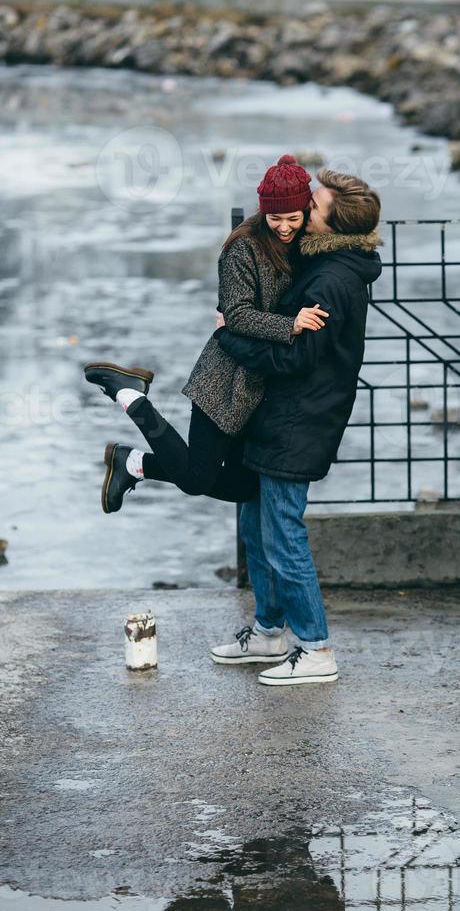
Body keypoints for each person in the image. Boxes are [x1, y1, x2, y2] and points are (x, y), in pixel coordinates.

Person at [210, 169, 383, 687]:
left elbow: (296, 360)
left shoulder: (332, 280)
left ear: (330, 222)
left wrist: (228, 338)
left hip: (300, 422)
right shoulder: (322, 261)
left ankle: (316, 647)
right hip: (280, 418)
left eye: (315, 205)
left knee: (284, 534)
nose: (305, 209)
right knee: (255, 527)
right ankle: (268, 630)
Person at [82, 155, 330, 512]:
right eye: (276, 219)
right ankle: (130, 396)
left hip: (258, 384)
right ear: (264, 214)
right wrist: (289, 324)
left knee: (244, 485)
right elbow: (236, 315)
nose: (285, 227)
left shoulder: (303, 242)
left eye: (293, 218)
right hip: (224, 380)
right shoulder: (242, 249)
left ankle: (132, 463)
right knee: (198, 478)